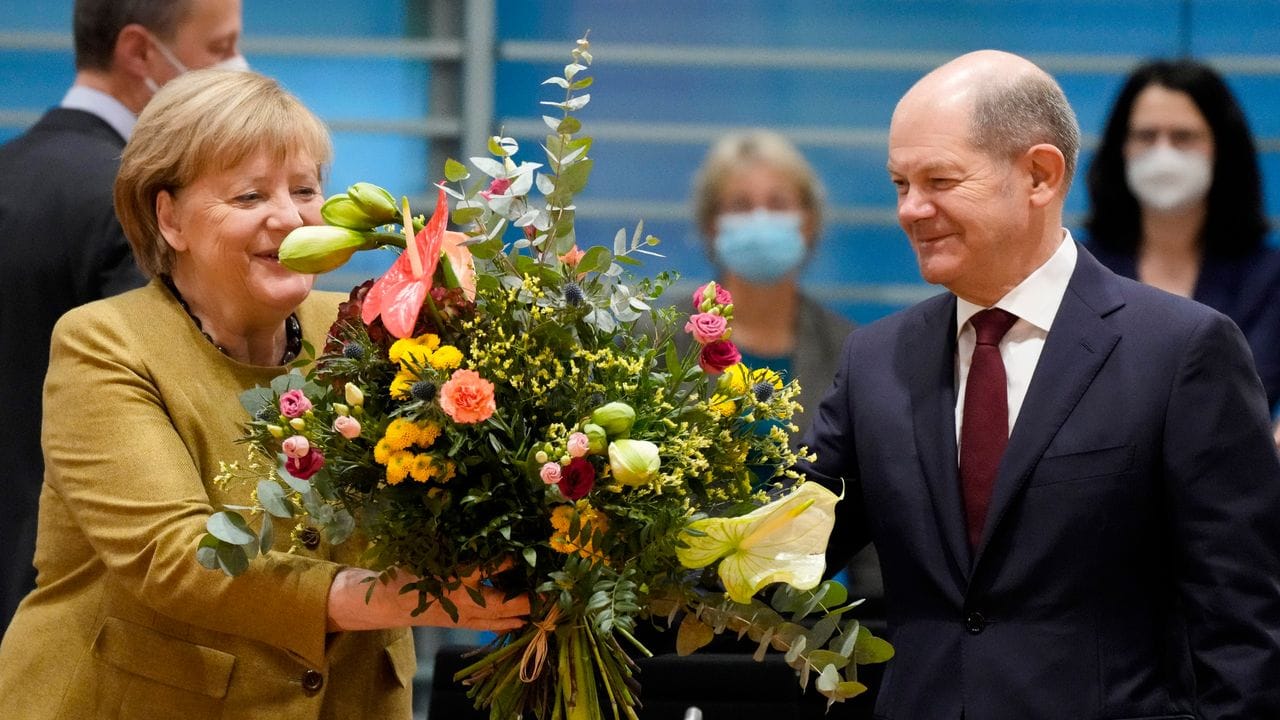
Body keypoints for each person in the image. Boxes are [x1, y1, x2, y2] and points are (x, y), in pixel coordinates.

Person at [0, 69, 528, 718]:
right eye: (250, 196)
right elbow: (178, 559)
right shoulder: (104, 344)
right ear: (170, 219)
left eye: (305, 190)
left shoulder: (373, 328)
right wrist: (393, 596)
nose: (289, 217)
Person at [803, 50, 1280, 719]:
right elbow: (777, 553)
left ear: (1038, 174)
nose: (911, 210)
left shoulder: (1180, 352)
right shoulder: (875, 361)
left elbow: (1241, 629)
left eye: (939, 179)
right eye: (898, 183)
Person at [0, 0, 247, 635]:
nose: (238, 69)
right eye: (220, 49)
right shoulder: (139, 205)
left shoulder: (12, 169)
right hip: (87, 588)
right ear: (139, 53)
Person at [1084, 58, 1280, 419]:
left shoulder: (1269, 278)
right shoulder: (1080, 272)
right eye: (1146, 136)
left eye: (1183, 137)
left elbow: (1252, 394)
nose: (1163, 153)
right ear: (1121, 148)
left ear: (1221, 148)